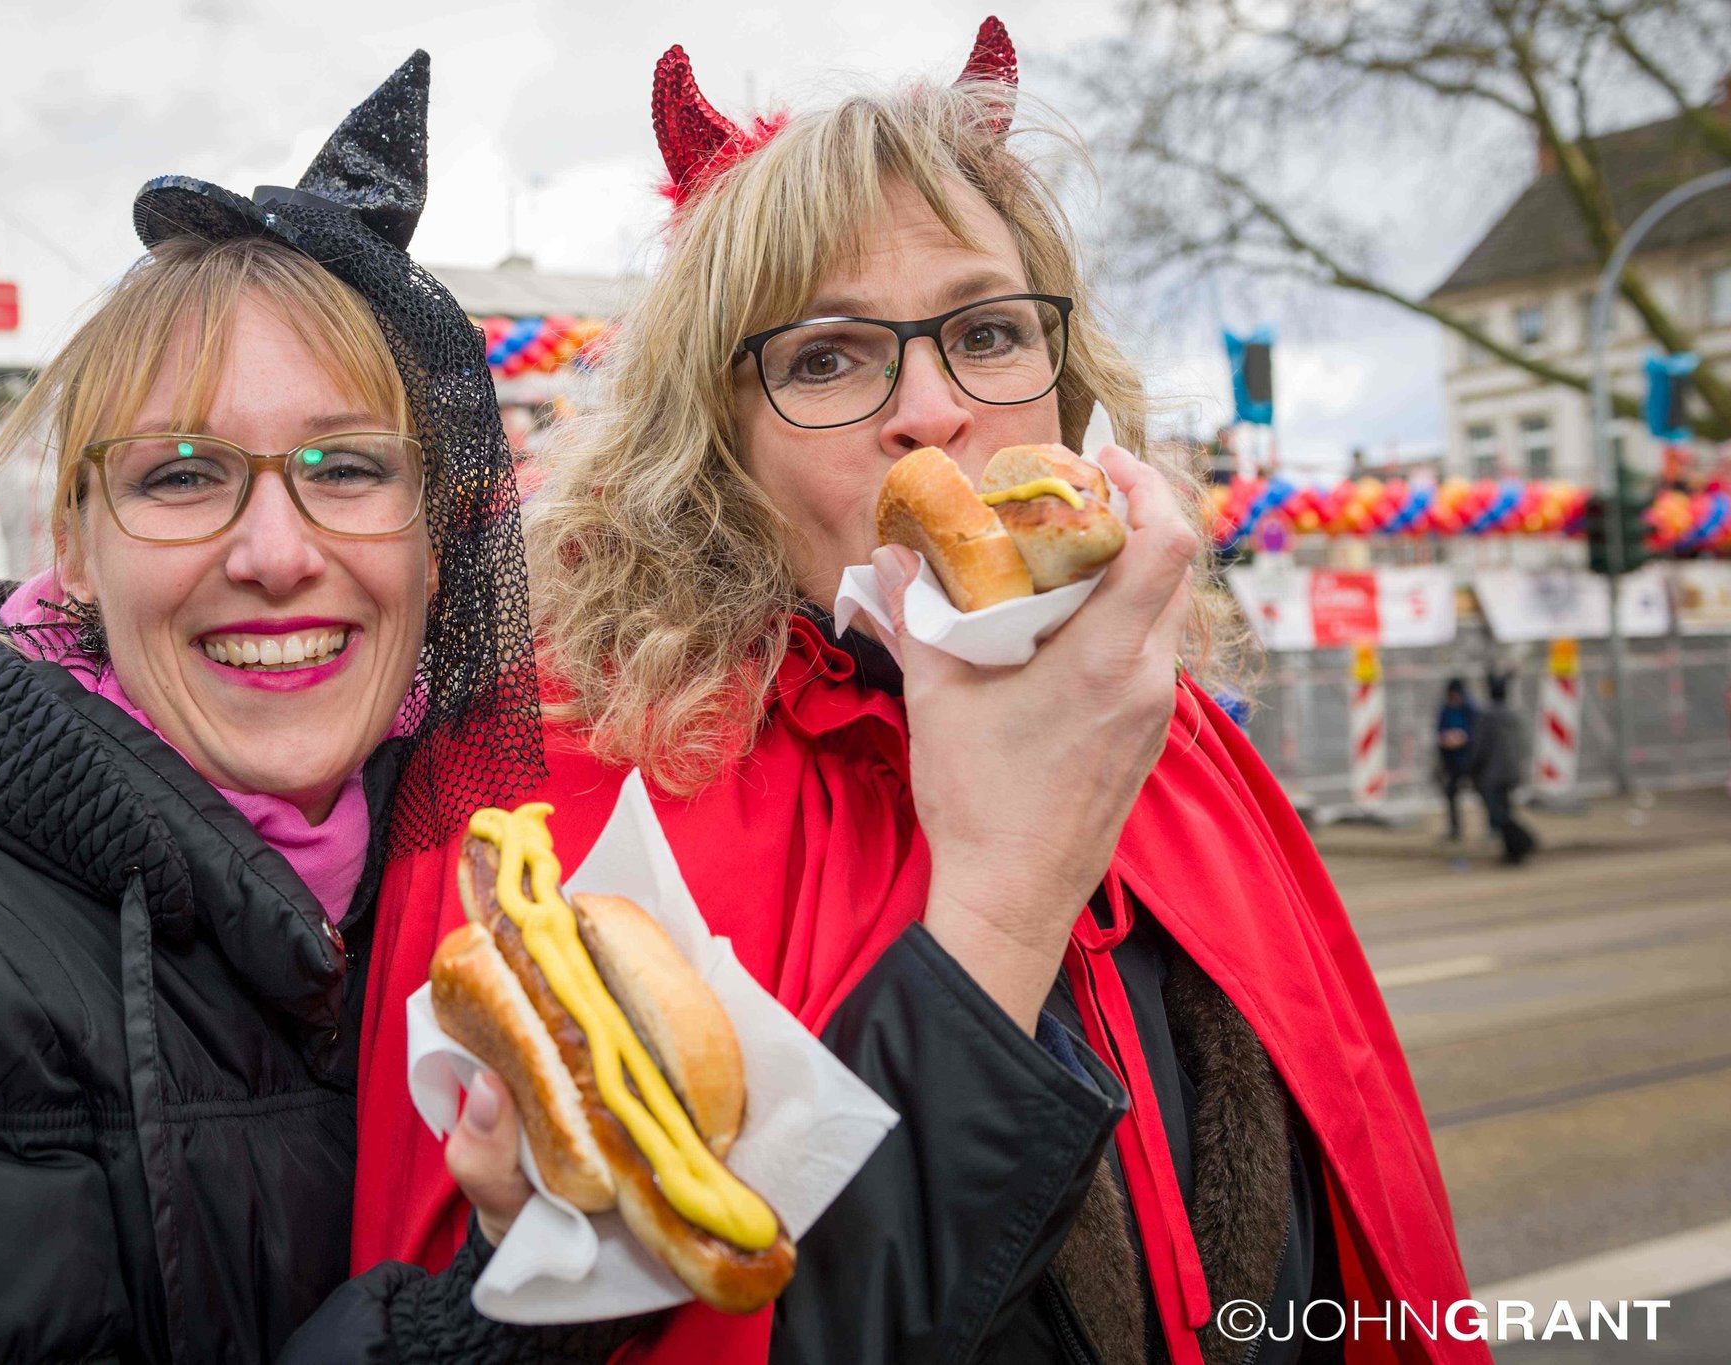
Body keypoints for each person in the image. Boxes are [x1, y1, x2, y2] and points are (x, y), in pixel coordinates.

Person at [353, 20, 1479, 1365]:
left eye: (988, 332)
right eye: (826, 357)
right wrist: (1003, 897)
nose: (931, 412)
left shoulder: (1161, 730)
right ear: (714, 439)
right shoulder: (564, 777)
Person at [0, 54, 633, 1365]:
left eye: (345, 466)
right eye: (185, 475)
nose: (275, 553)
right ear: (75, 546)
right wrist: (489, 1320)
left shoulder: (461, 867)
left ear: (436, 541)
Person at [1471, 672, 1537, 866]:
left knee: (1497, 814)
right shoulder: (1513, 714)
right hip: (1512, 771)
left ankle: (1524, 841)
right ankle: (1513, 851)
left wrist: (1472, 767)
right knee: (1505, 809)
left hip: (1493, 773)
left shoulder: (1487, 716)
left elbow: (1480, 747)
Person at [1436, 677, 1477, 842]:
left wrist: (1464, 738)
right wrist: (1446, 738)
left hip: (1470, 759)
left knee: (1484, 792)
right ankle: (1455, 829)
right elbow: (1439, 730)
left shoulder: (1471, 709)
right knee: (1450, 793)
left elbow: (1479, 732)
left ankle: (1493, 827)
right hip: (1451, 760)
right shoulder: (1445, 709)